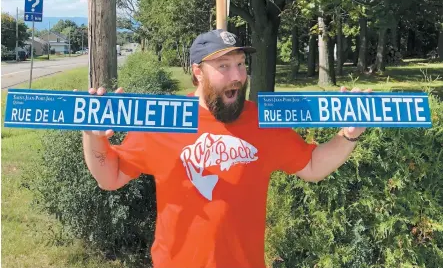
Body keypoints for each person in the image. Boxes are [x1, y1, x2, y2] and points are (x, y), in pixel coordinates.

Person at [83, 29, 368, 268]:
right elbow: (111, 178)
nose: (237, 76)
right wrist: (94, 136)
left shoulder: (263, 122)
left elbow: (313, 167)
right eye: (224, 66)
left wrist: (348, 135)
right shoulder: (165, 120)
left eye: (241, 64)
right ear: (197, 73)